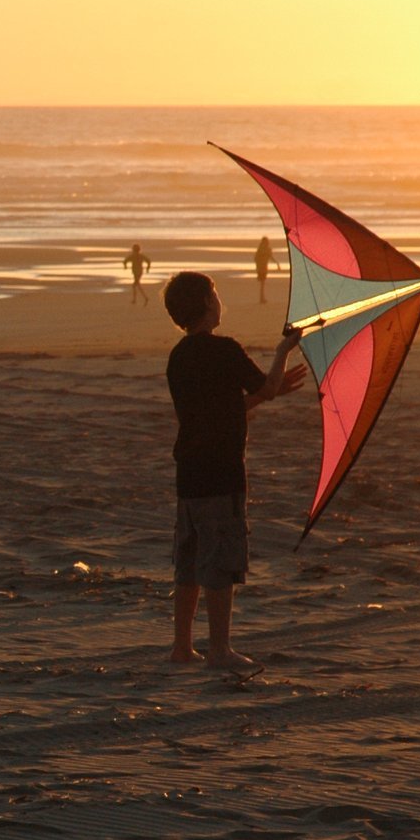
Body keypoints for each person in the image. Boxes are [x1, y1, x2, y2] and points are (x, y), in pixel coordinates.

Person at [163, 272, 308, 670]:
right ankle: (220, 649)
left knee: (189, 561)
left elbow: (221, 409)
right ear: (208, 305)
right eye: (215, 294)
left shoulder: (178, 356)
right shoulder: (224, 350)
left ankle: (182, 647)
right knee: (220, 561)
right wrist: (284, 352)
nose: (218, 300)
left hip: (189, 474)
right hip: (221, 473)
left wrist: (265, 391)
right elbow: (267, 386)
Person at [253, 236, 279, 303]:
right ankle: (261, 298)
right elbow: (270, 257)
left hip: (262, 268)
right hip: (262, 268)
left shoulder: (261, 249)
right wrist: (277, 263)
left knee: (262, 284)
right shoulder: (265, 249)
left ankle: (262, 298)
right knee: (262, 283)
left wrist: (277, 263)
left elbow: (256, 259)